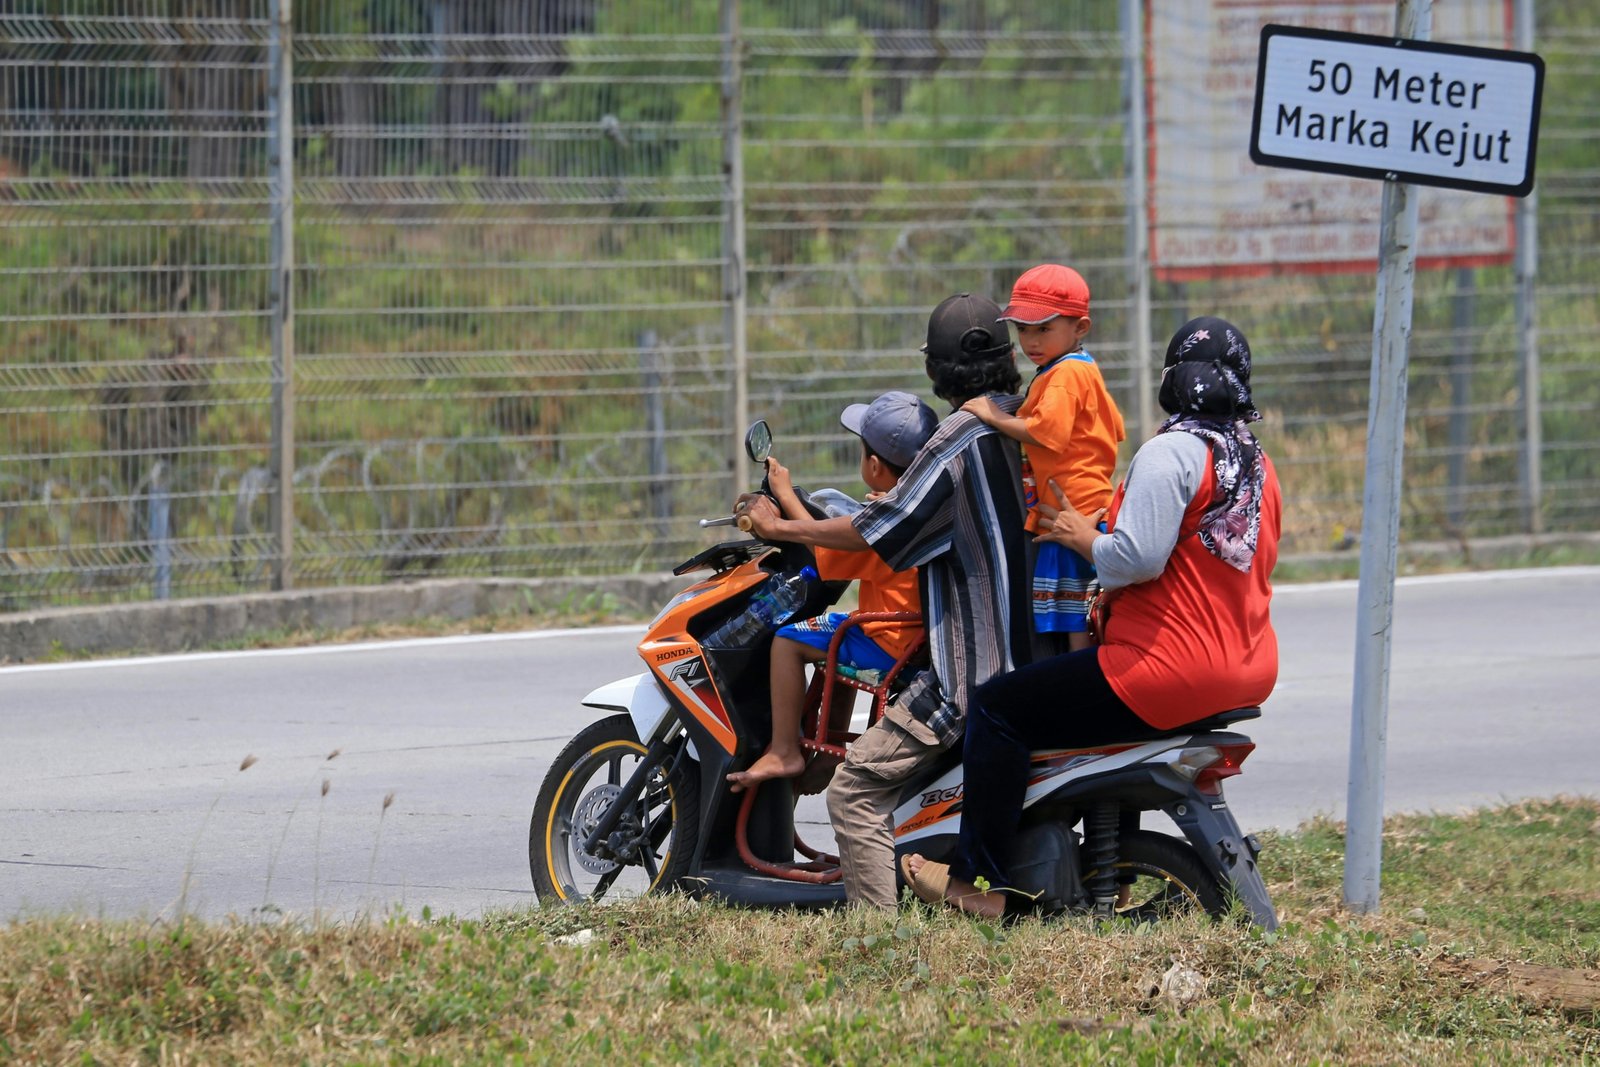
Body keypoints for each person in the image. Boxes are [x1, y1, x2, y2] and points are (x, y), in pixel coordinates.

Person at [901, 316, 1282, 917]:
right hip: (1247, 666)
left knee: (1000, 708)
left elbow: (1134, 559)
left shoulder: (1172, 452)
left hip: (1163, 667)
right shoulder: (1254, 462)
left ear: (1173, 378)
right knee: (1111, 734)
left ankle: (980, 886)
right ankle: (1117, 876)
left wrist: (1083, 537)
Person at [734, 292, 1034, 908]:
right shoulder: (1024, 422)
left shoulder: (958, 440)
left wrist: (780, 526)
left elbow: (879, 529)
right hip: (1030, 659)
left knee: (852, 790)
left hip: (969, 675)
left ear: (936, 371)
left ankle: (879, 943)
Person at [726, 390, 939, 792]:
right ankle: (824, 759)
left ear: (874, 465)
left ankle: (785, 749)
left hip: (889, 643)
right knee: (836, 634)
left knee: (789, 641)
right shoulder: (914, 507)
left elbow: (823, 551)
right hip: (910, 637)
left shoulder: (883, 528)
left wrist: (784, 494)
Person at [962, 264, 1125, 655]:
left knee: (1075, 622)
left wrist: (994, 415)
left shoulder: (1065, 374)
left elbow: (1046, 433)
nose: (1031, 341)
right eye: (1023, 329)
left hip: (1072, 513)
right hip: (1080, 506)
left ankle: (1077, 694)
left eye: (1044, 329)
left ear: (1080, 327)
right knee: (1079, 615)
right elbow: (1113, 427)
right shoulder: (1080, 368)